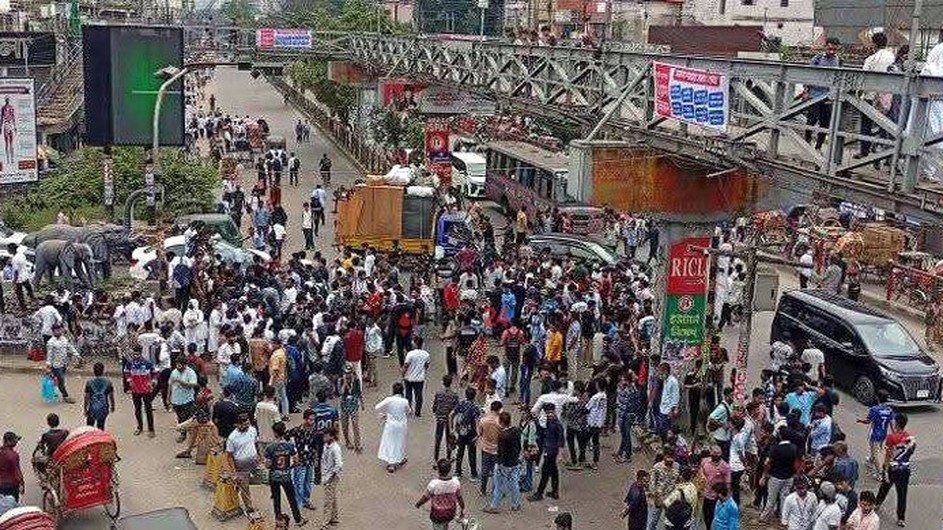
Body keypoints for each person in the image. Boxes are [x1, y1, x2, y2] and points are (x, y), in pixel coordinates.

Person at [264, 421, 308, 527]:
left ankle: (278, 521)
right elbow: (296, 460)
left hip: (274, 476)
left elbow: (267, 464)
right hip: (286, 476)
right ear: (284, 432)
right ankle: (298, 519)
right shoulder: (290, 446)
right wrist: (290, 467)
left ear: (274, 433)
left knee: (276, 499)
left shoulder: (270, 447)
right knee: (291, 498)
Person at [875, 412, 915, 527]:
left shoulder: (891, 437)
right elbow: (910, 453)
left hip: (893, 468)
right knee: (902, 494)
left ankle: (877, 504)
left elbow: (888, 455)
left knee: (884, 487)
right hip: (905, 469)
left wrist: (885, 469)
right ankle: (901, 518)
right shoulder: (910, 438)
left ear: (896, 423)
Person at [803, 38, 842, 150]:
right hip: (815, 94)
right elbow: (808, 75)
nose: (832, 52)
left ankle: (818, 146)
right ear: (825, 47)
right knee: (812, 119)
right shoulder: (818, 58)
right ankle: (807, 139)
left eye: (834, 49)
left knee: (825, 122)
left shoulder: (838, 60)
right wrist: (806, 91)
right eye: (830, 49)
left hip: (828, 95)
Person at [484, 410, 521, 513]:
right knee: (514, 484)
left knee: (498, 486)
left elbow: (501, 452)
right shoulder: (516, 430)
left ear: (501, 422)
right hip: (514, 462)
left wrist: (498, 464)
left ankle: (494, 507)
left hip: (504, 464)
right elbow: (518, 446)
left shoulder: (502, 436)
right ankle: (516, 504)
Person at [529, 402, 564, 502]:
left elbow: (561, 440)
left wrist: (560, 455)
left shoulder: (557, 424)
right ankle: (555, 491)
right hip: (549, 449)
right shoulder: (550, 421)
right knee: (553, 471)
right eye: (547, 412)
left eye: (550, 412)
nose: (549, 415)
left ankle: (539, 493)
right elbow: (543, 432)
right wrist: (536, 420)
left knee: (545, 471)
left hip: (551, 451)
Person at [415, 458, 465, 530]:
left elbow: (426, 497)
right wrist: (462, 507)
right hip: (450, 512)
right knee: (446, 523)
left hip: (437, 514)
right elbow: (459, 497)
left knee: (438, 527)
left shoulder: (434, 484)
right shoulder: (455, 482)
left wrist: (418, 504)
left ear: (438, 470)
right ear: (450, 470)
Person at [225, 413, 259, 516]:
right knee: (245, 487)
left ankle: (237, 488)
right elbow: (229, 456)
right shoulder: (232, 437)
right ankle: (249, 508)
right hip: (240, 465)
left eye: (248, 424)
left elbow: (256, 443)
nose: (246, 427)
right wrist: (234, 472)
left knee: (258, 480)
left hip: (253, 461)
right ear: (237, 425)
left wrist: (259, 456)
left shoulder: (252, 430)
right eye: (244, 425)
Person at [287, 409, 320, 510]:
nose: (312, 422)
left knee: (308, 482)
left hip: (310, 459)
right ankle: (298, 505)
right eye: (310, 420)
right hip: (300, 460)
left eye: (313, 420)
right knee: (299, 483)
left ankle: (306, 500)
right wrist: (293, 452)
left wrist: (316, 458)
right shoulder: (297, 430)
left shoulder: (315, 430)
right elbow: (286, 436)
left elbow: (316, 445)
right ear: (305, 419)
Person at [857, 390, 894, 478]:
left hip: (874, 434)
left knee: (875, 453)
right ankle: (870, 460)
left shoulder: (874, 409)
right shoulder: (889, 410)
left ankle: (880, 474)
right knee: (878, 448)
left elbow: (868, 421)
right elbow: (892, 423)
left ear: (877, 398)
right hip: (883, 434)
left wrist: (860, 421)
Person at [123, 345, 158, 437]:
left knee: (148, 409)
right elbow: (126, 371)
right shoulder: (130, 363)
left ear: (140, 353)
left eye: (137, 354)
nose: (135, 356)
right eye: (134, 354)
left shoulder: (147, 363)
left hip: (146, 390)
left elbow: (155, 372)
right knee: (137, 409)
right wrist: (129, 380)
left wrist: (153, 381)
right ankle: (139, 427)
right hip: (135, 390)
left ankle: (151, 429)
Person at [376, 382, 410, 473]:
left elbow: (377, 407)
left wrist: (385, 414)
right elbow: (408, 412)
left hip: (390, 425)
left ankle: (391, 464)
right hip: (401, 425)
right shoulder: (405, 401)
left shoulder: (389, 400)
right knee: (400, 442)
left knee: (390, 443)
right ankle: (400, 458)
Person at [45, 322, 80, 403]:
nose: (59, 331)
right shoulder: (51, 342)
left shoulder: (64, 339)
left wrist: (77, 355)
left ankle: (53, 390)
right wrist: (48, 366)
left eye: (60, 329)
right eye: (56, 330)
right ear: (53, 331)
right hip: (56, 366)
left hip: (64, 364)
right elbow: (49, 356)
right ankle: (65, 396)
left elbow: (70, 347)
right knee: (61, 380)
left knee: (56, 379)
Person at [645, 447, 680, 530]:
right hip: (659, 497)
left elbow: (677, 481)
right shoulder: (657, 467)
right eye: (668, 457)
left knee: (669, 521)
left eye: (672, 457)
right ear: (664, 456)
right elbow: (652, 483)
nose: (670, 459)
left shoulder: (677, 466)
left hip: (671, 498)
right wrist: (655, 497)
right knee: (654, 519)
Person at [451, 387, 481, 480]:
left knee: (460, 452)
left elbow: (451, 414)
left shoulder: (461, 403)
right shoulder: (475, 407)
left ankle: (458, 472)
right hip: (471, 433)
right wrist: (478, 434)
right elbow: (476, 421)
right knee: (472, 453)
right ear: (474, 396)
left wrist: (452, 428)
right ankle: (473, 474)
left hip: (461, 431)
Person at [701, 445, 731, 530]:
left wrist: (726, 497)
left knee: (712, 515)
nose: (716, 455)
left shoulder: (725, 466)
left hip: (715, 496)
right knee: (705, 514)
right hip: (704, 493)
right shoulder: (704, 462)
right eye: (715, 453)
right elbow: (701, 474)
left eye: (718, 453)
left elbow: (728, 483)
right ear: (711, 452)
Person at [477, 400, 503, 498]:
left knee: (485, 470)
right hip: (496, 449)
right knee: (496, 471)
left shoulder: (483, 420)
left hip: (485, 447)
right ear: (499, 409)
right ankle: (495, 490)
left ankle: (482, 489)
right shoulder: (500, 422)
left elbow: (480, 432)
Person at [169, 355, 199, 438]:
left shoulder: (191, 372)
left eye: (180, 365)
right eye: (177, 365)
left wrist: (180, 381)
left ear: (185, 365)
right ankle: (183, 432)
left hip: (187, 400)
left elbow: (193, 384)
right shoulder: (174, 372)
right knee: (179, 417)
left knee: (187, 418)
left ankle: (188, 434)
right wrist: (168, 398)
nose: (178, 367)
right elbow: (170, 385)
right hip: (176, 400)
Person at [432, 374, 459, 462]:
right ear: (450, 383)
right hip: (449, 419)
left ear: (443, 382)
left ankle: (436, 459)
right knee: (449, 438)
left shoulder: (439, 393)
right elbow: (456, 407)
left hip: (440, 417)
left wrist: (436, 412)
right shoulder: (454, 394)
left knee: (438, 438)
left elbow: (435, 405)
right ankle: (448, 456)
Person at [402, 336, 431, 416]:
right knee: (419, 395)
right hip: (420, 378)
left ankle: (408, 409)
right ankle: (418, 411)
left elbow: (406, 365)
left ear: (414, 343)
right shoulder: (426, 354)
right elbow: (426, 365)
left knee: (408, 394)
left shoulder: (410, 354)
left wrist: (403, 374)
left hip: (409, 377)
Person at [320, 426, 343, 526]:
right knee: (332, 497)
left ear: (332, 437)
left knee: (328, 500)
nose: (324, 437)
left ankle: (325, 522)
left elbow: (339, 464)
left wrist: (330, 476)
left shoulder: (335, 448)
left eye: (326, 436)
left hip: (331, 477)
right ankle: (334, 517)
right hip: (326, 473)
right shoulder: (326, 445)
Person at [339, 366, 363, 453]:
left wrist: (362, 402)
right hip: (344, 405)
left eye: (349, 373)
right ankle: (347, 441)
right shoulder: (341, 380)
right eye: (346, 373)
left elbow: (359, 392)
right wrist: (345, 383)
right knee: (345, 425)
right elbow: (340, 392)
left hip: (354, 404)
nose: (348, 375)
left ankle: (358, 443)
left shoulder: (356, 381)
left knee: (355, 424)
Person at [84, 361, 115, 429]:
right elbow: (111, 396)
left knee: (89, 427)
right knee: (101, 426)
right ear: (103, 371)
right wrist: (112, 406)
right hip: (104, 407)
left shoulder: (89, 382)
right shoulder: (108, 382)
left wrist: (85, 409)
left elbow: (86, 397)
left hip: (92, 408)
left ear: (93, 371)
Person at [0, 432, 23, 502]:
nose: (16, 443)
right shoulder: (13, 455)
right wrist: (22, 482)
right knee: (12, 507)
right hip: (11, 485)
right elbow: (16, 471)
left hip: (1, 484)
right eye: (15, 440)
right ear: (9, 441)